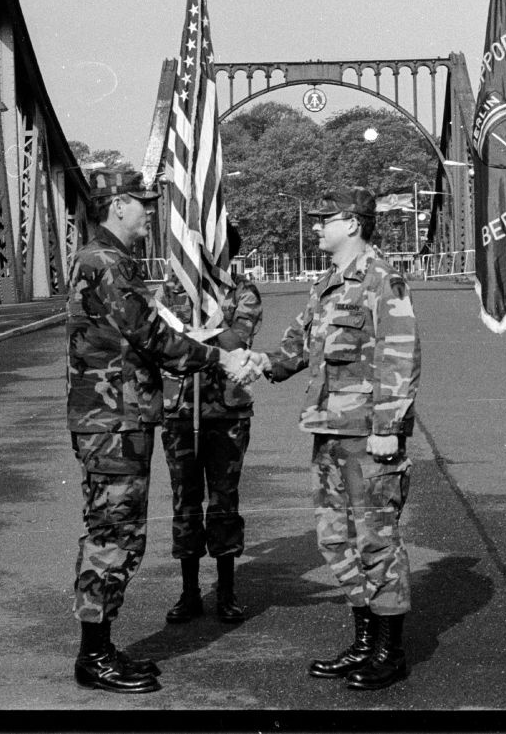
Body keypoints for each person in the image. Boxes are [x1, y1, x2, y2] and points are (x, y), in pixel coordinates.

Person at [65, 169, 254, 694]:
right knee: (114, 533)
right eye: (143, 203)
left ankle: (100, 648)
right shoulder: (106, 264)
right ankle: (93, 657)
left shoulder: (104, 261)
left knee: (116, 531)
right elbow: (153, 337)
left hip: (115, 417)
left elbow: (150, 337)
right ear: (118, 205)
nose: (150, 212)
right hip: (114, 420)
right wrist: (218, 354)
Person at [251, 187, 421, 691]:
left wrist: (388, 429)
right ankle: (364, 641)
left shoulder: (382, 279)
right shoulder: (328, 282)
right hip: (327, 429)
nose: (316, 226)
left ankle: (389, 651)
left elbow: (401, 355)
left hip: (366, 437)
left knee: (376, 540)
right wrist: (262, 363)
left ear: (352, 223)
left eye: (325, 218)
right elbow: (301, 342)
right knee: (335, 539)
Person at [156, 226, 262, 625]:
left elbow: (238, 338)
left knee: (224, 501)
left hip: (226, 412)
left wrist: (194, 340)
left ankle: (228, 591)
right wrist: (196, 340)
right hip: (181, 409)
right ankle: (188, 591)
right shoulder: (171, 292)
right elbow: (160, 339)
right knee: (184, 501)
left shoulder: (243, 292)